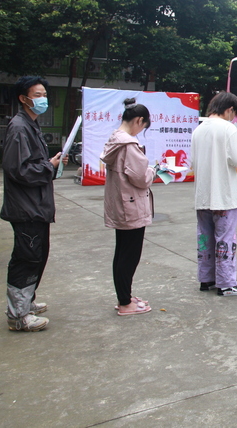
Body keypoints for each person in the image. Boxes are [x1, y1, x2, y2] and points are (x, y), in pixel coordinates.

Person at [1, 76, 67, 332]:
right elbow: (18, 170)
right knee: (26, 258)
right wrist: (49, 166)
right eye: (37, 95)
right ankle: (18, 315)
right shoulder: (19, 127)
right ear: (24, 98)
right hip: (26, 207)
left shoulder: (31, 125)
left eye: (44, 95)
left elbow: (33, 165)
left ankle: (26, 302)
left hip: (36, 206)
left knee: (37, 256)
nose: (43, 99)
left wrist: (52, 164)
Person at [190, 92, 237, 297]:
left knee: (205, 237)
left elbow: (193, 161)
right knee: (225, 239)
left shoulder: (198, 130)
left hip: (203, 195)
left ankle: (206, 278)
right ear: (230, 110)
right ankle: (226, 283)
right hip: (224, 195)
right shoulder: (228, 129)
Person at [101, 98, 156, 316]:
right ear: (139, 120)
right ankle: (125, 303)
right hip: (131, 206)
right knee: (129, 255)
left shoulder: (115, 139)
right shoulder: (129, 146)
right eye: (143, 126)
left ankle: (125, 296)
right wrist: (154, 170)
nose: (140, 131)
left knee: (122, 252)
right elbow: (141, 178)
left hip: (121, 203)